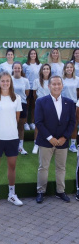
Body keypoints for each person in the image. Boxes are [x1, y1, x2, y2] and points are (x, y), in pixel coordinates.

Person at [35, 76, 75, 204]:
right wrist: (50, 138)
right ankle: (41, 191)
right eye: (54, 84)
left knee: (61, 168)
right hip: (46, 141)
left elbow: (72, 122)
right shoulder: (41, 101)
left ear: (62, 86)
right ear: (49, 86)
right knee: (43, 167)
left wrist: (64, 137)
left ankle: (60, 191)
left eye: (59, 84)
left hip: (62, 142)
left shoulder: (69, 102)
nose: (56, 86)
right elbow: (39, 122)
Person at [0, 72, 23, 208]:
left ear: (11, 83)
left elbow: (17, 118)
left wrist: (9, 128)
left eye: (8, 81)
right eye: (3, 81)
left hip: (12, 138)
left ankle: (11, 195)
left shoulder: (17, 98)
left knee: (12, 167)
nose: (5, 83)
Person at [32, 64, 51, 154]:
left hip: (51, 106)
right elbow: (34, 94)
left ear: (50, 70)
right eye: (44, 69)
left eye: (47, 69)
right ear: (41, 70)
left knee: (50, 125)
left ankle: (49, 143)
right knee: (38, 125)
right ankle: (36, 144)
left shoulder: (52, 81)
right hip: (39, 106)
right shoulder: (37, 81)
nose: (46, 70)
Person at [12, 62, 30, 155]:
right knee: (11, 126)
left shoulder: (25, 80)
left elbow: (26, 93)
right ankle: (11, 146)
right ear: (13, 69)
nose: (17, 70)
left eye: (19, 68)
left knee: (21, 126)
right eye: (15, 68)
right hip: (11, 104)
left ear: (21, 69)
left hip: (22, 104)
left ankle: (20, 147)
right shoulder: (9, 79)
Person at [61, 61, 79, 153]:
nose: (69, 69)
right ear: (64, 69)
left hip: (74, 104)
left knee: (74, 124)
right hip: (63, 104)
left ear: (73, 69)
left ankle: (72, 144)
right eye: (67, 67)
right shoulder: (61, 80)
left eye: (71, 67)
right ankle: (63, 143)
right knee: (63, 124)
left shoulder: (77, 79)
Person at [23, 49, 42, 131]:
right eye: (31, 54)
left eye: (34, 54)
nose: (33, 55)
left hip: (36, 88)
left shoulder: (40, 65)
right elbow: (23, 77)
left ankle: (32, 122)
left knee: (34, 106)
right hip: (27, 88)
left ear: (36, 55)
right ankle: (25, 123)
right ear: (29, 55)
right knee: (26, 106)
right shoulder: (25, 65)